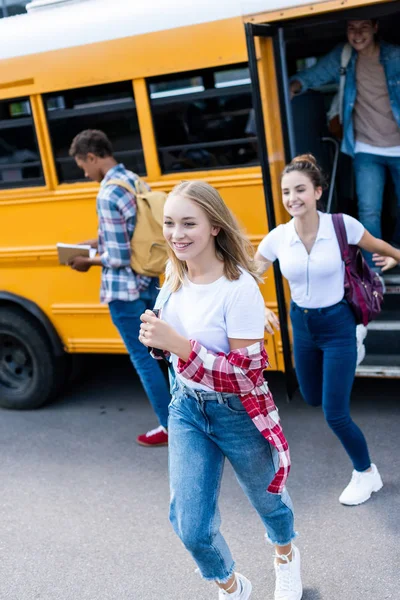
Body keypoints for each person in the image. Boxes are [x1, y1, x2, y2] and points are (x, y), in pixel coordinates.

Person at [139, 180, 302, 600]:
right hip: (187, 409)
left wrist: (178, 345)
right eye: (170, 223)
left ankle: (285, 556)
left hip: (238, 413)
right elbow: (171, 350)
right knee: (190, 525)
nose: (177, 234)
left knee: (270, 503)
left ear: (214, 226)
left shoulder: (240, 288)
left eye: (189, 223)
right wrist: (158, 342)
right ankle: (231, 585)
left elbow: (245, 376)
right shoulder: (172, 278)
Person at [256, 154, 400, 506]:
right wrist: (259, 307)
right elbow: (246, 277)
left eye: (301, 190)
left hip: (337, 324)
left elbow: (381, 248)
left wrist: (395, 256)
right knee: (310, 396)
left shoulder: (341, 226)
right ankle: (353, 349)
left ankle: (366, 473)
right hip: (302, 324)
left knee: (335, 412)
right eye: (287, 191)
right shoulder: (277, 238)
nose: (293, 198)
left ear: (318, 191)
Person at [67, 129, 170, 447]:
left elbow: (119, 255)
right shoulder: (134, 180)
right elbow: (132, 231)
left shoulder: (106, 193)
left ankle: (170, 427)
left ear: (92, 157)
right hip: (149, 280)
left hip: (124, 292)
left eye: (83, 165)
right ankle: (187, 419)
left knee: (144, 359)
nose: (85, 173)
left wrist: (88, 262)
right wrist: (93, 242)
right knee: (167, 354)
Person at [290, 19, 400, 267]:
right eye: (352, 28)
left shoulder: (394, 56)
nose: (357, 34)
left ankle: (395, 252)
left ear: (375, 27)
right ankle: (373, 271)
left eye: (364, 27)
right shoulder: (345, 56)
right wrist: (293, 87)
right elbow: (315, 74)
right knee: (369, 211)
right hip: (365, 148)